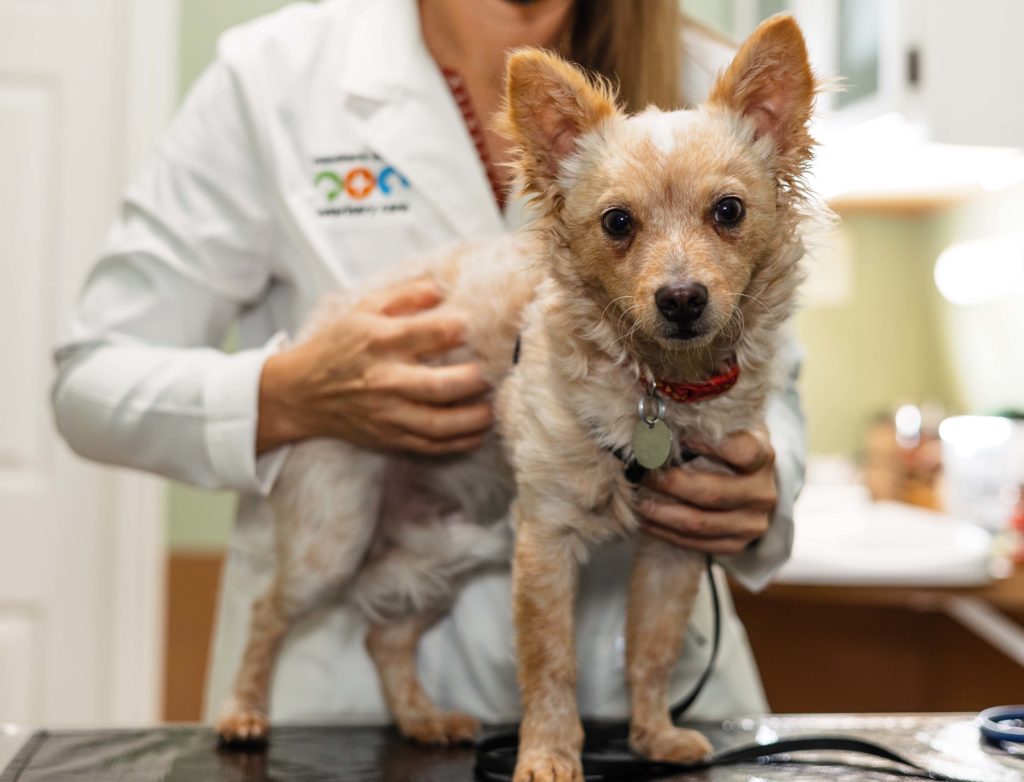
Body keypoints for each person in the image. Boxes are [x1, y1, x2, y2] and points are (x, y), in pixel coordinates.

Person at [52, 0, 804, 725]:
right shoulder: (274, 75)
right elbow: (88, 378)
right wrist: (286, 394)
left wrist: (764, 489)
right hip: (345, 702)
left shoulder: (712, 75)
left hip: (641, 699)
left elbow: (779, 385)